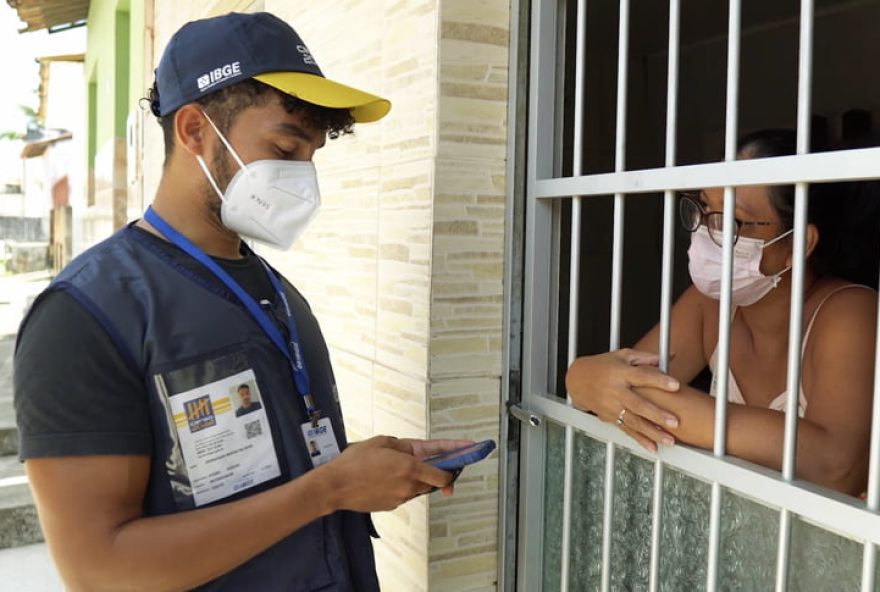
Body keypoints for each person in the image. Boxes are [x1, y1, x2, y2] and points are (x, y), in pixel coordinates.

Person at [13, 12, 470, 591]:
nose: (302, 176)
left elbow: (261, 473)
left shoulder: (275, 291)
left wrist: (361, 470)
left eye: (311, 154)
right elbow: (98, 569)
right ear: (193, 130)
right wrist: (327, 491)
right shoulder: (88, 316)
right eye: (283, 147)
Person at [566, 129, 880, 496]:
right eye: (704, 208)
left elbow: (835, 465)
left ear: (798, 243)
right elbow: (614, 391)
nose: (704, 233)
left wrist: (617, 392)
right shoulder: (709, 306)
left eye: (730, 219)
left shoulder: (851, 311)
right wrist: (580, 377)